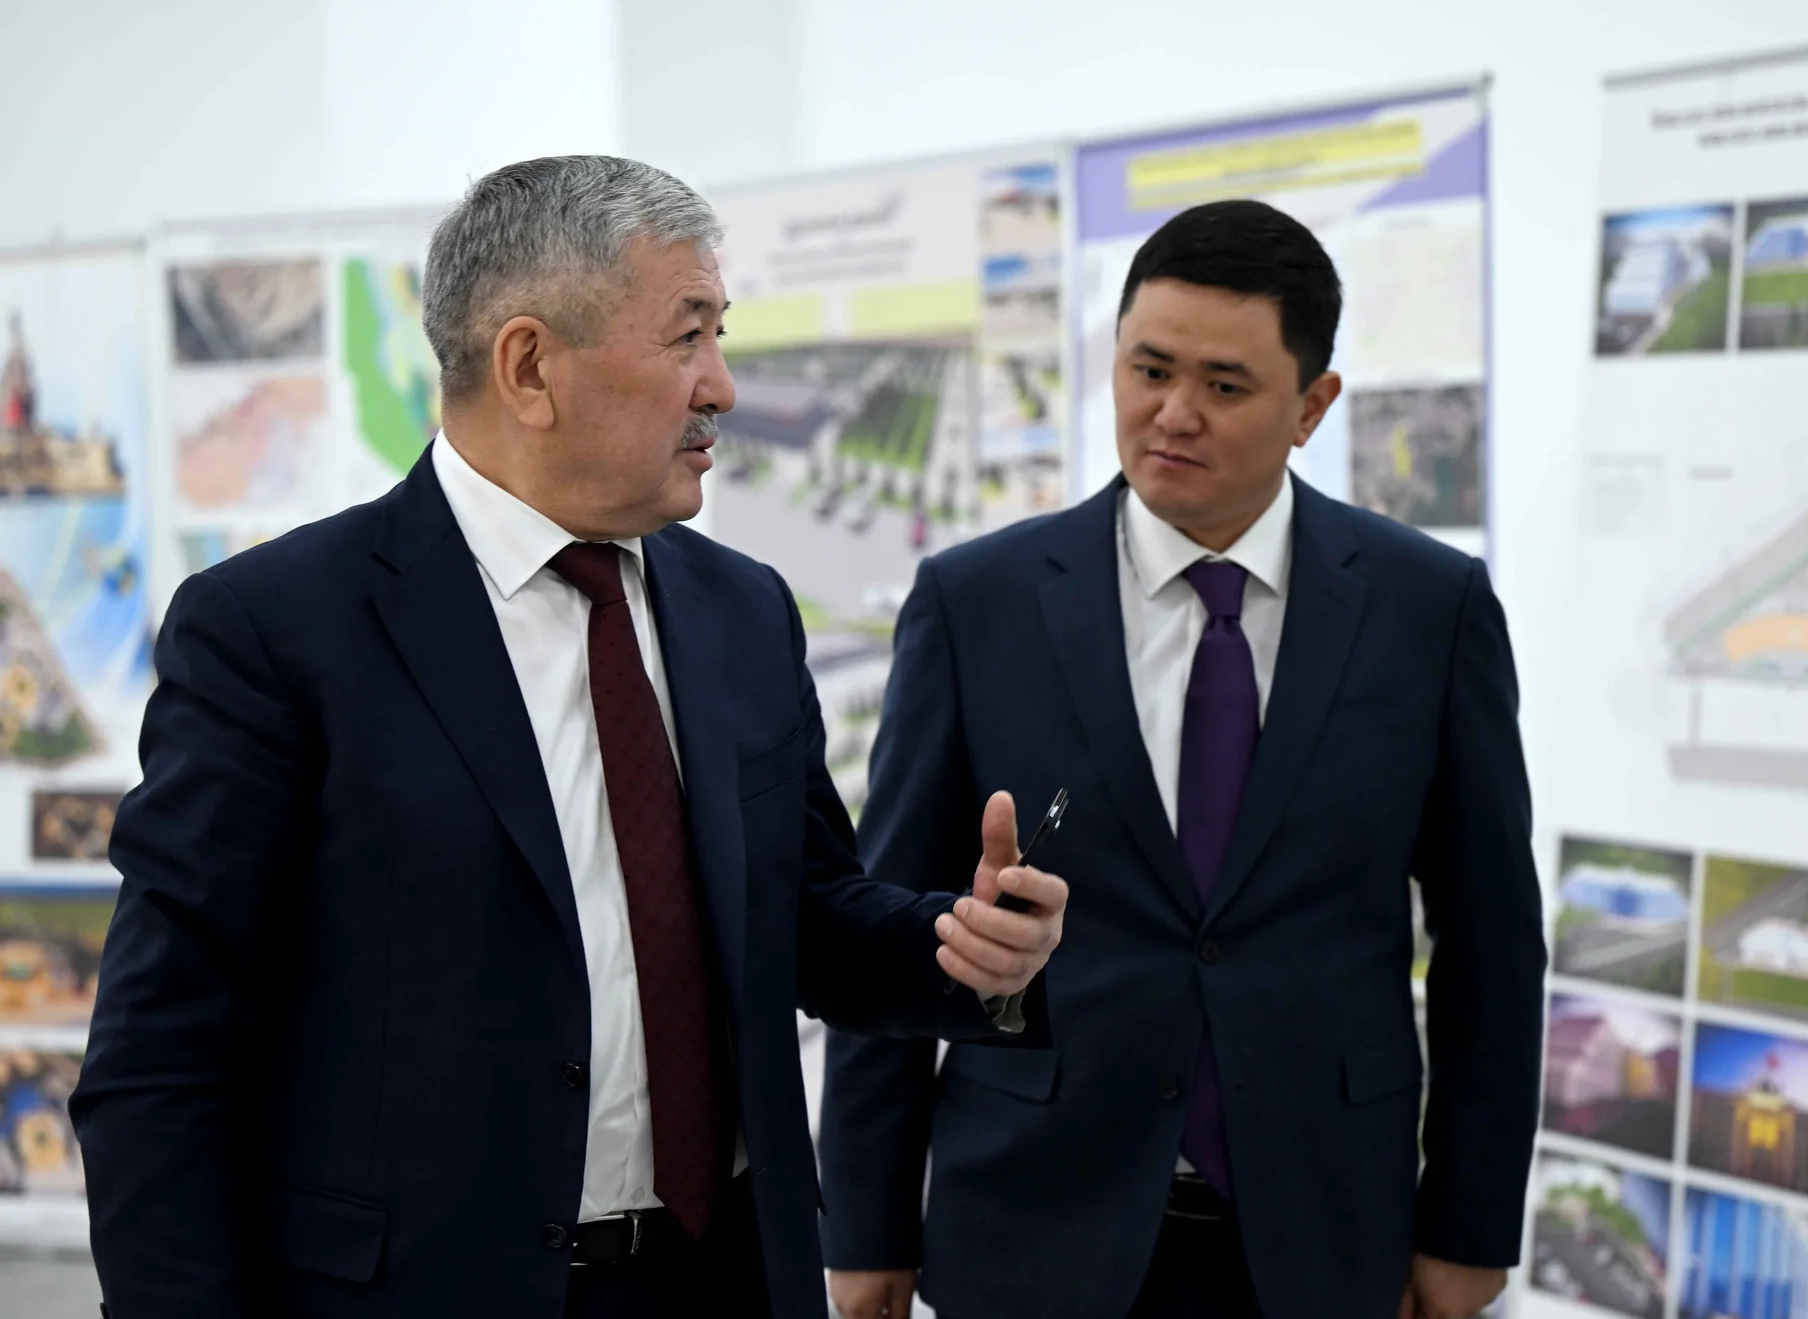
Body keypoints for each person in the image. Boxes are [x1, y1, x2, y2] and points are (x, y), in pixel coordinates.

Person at [71, 156, 1068, 1319]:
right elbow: (162, 1051)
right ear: (531, 367)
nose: (723, 386)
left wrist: (959, 947)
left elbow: (799, 916)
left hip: (730, 1280)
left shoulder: (742, 611)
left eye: (720, 335)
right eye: (687, 337)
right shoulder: (280, 631)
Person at [819, 200, 1544, 1319]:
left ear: (1312, 408)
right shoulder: (977, 604)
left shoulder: (1428, 609)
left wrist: (1469, 1227)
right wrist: (864, 1225)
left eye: (1225, 385)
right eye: (1148, 370)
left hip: (1320, 1233)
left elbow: (1491, 943)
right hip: (1031, 1220)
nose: (1174, 414)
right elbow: (896, 924)